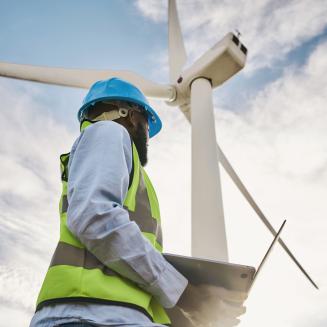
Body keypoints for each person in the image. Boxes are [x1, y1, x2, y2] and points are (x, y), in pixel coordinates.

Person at [29, 77, 247, 327]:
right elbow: (94, 217)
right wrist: (187, 296)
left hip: (107, 315)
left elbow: (129, 267)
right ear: (132, 116)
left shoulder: (127, 168)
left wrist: (195, 315)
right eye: (146, 124)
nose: (148, 137)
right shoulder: (108, 132)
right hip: (88, 316)